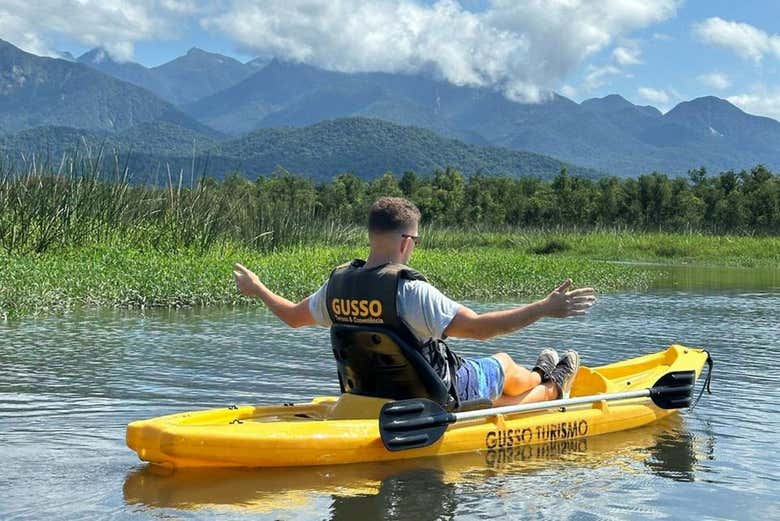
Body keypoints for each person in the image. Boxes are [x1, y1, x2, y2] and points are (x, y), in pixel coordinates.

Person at [233, 197, 597, 406]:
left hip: (371, 394)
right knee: (501, 364)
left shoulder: (336, 286)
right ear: (407, 241)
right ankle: (549, 384)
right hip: (432, 392)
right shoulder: (410, 291)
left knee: (494, 372)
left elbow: (294, 317)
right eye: (417, 241)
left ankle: (544, 373)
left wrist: (259, 288)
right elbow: (478, 329)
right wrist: (543, 308)